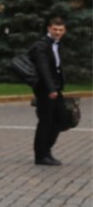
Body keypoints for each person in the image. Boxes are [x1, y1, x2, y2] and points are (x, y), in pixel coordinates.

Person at [28, 16, 67, 166]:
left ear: (64, 30)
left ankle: (46, 150)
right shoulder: (42, 45)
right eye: (55, 29)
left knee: (63, 117)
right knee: (46, 120)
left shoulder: (57, 44)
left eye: (61, 30)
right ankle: (41, 155)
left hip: (54, 86)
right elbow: (44, 69)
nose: (58, 32)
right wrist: (51, 89)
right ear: (48, 29)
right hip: (45, 87)